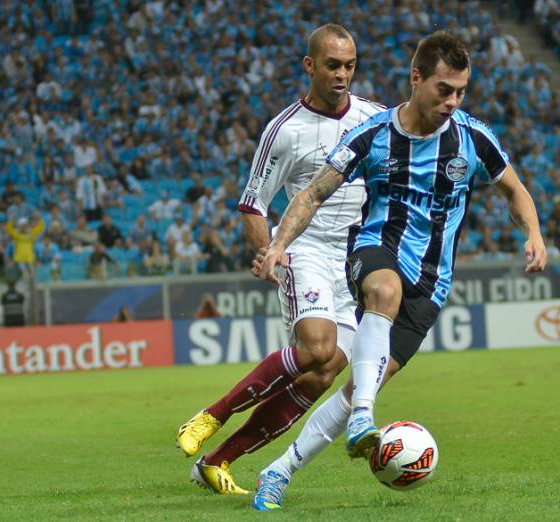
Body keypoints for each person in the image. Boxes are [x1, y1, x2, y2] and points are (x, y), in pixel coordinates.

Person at [255, 31, 547, 510]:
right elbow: (311, 194)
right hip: (375, 248)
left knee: (355, 387)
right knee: (383, 292)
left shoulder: (472, 138)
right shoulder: (372, 136)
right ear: (416, 79)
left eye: (461, 92)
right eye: (443, 89)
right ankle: (364, 417)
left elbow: (515, 191)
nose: (453, 101)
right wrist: (278, 245)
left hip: (432, 282)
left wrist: (533, 233)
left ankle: (279, 470)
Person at [175, 23, 385, 498]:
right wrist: (269, 252)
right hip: (305, 250)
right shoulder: (285, 129)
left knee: (326, 371)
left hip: (357, 260)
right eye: (332, 65)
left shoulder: (375, 118)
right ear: (310, 65)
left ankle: (217, 461)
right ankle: (213, 415)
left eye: (350, 65)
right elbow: (255, 201)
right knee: (315, 348)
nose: (342, 74)